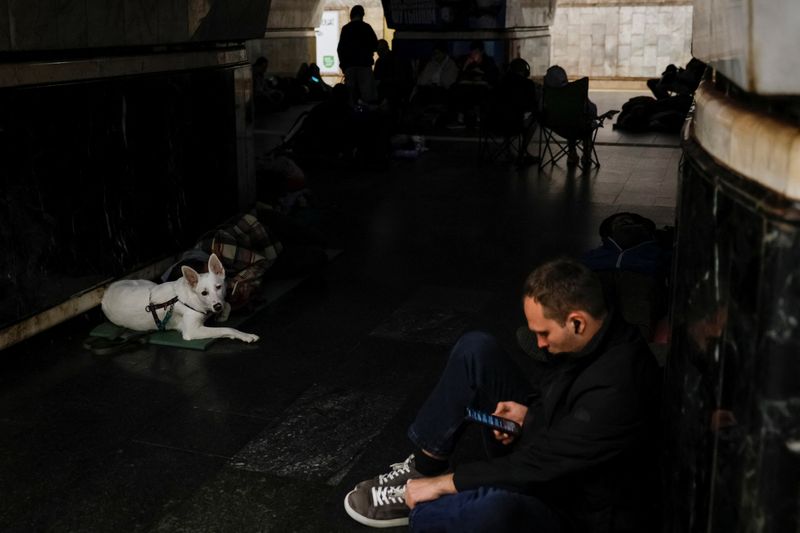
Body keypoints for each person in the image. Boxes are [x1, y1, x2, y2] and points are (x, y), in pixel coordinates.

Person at [344, 258, 662, 532]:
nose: (538, 344)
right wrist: (529, 415)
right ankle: (424, 469)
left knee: (488, 511)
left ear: (576, 322)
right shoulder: (594, 334)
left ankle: (420, 502)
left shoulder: (619, 386)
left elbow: (544, 462)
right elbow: (566, 411)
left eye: (544, 333)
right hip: (556, 449)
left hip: (574, 506)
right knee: (476, 348)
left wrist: (446, 484)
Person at [447, 40, 500, 128]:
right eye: (472, 52)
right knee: (457, 89)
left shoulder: (489, 61)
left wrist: (482, 76)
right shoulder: (468, 61)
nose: (473, 54)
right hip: (468, 87)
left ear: (482, 52)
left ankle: (479, 119)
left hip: (483, 88)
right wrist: (465, 66)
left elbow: (493, 77)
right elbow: (459, 78)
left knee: (481, 93)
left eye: (476, 52)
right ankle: (460, 119)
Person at [337, 4, 378, 106]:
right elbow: (375, 45)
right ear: (362, 15)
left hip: (350, 67)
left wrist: (344, 66)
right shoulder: (367, 27)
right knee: (367, 97)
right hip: (364, 66)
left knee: (351, 97)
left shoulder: (346, 29)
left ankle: (351, 117)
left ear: (351, 15)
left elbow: (340, 49)